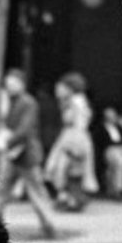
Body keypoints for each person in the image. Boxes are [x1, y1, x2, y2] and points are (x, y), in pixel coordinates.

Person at [0, 68, 60, 239]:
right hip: (15, 153)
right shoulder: (12, 102)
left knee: (33, 191)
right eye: (8, 84)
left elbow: (24, 129)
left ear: (21, 84)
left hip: (25, 153)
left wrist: (6, 141)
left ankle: (49, 225)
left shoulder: (27, 102)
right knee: (3, 190)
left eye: (13, 84)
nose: (10, 87)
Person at [45, 72, 97, 212]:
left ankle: (71, 198)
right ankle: (68, 197)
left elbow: (80, 124)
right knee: (64, 168)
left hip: (74, 137)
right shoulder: (72, 101)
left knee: (65, 168)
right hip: (69, 136)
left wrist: (75, 145)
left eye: (61, 87)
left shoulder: (77, 102)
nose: (58, 90)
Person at [93, 106, 122, 199]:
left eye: (113, 115)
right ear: (105, 117)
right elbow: (99, 144)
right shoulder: (101, 128)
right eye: (110, 115)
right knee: (120, 162)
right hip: (110, 150)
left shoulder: (119, 127)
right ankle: (119, 189)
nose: (112, 117)